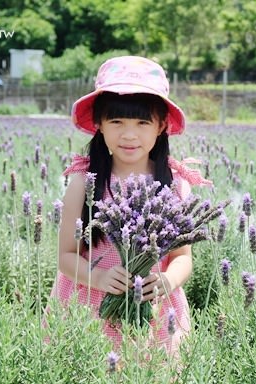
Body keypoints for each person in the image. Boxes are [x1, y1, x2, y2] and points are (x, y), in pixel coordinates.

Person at [51, 56, 212, 354]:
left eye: (142, 122)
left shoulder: (173, 183)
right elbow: (65, 256)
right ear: (99, 124)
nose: (128, 134)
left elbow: (183, 257)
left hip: (154, 307)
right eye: (116, 122)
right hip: (89, 304)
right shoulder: (84, 181)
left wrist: (167, 280)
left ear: (161, 125)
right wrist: (98, 277)